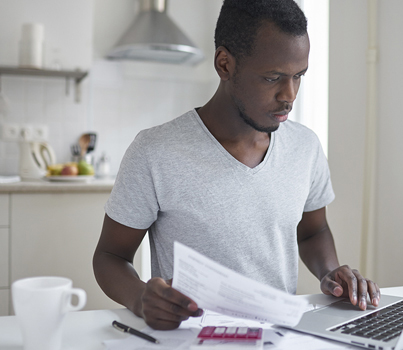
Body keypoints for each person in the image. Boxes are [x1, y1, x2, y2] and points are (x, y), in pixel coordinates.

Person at [93, 0, 380, 331]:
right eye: (273, 78)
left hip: (277, 336)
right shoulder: (155, 152)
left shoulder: (305, 147)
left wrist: (330, 272)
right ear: (225, 64)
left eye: (298, 76)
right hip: (192, 338)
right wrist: (140, 297)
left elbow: (313, 230)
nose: (289, 94)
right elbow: (110, 257)